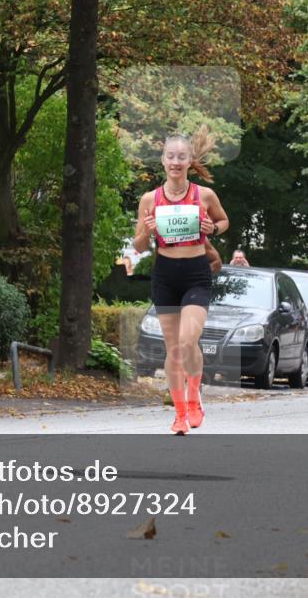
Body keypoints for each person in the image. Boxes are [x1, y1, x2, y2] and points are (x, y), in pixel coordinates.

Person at [133, 126, 229, 435]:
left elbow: (223, 221)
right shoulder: (150, 199)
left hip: (196, 273)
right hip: (165, 275)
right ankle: (178, 414)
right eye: (171, 156)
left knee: (189, 341)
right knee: (173, 349)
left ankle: (194, 397)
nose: (176, 162)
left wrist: (211, 227)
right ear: (162, 160)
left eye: (181, 157)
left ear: (190, 161)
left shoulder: (204, 195)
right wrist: (147, 230)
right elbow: (138, 246)